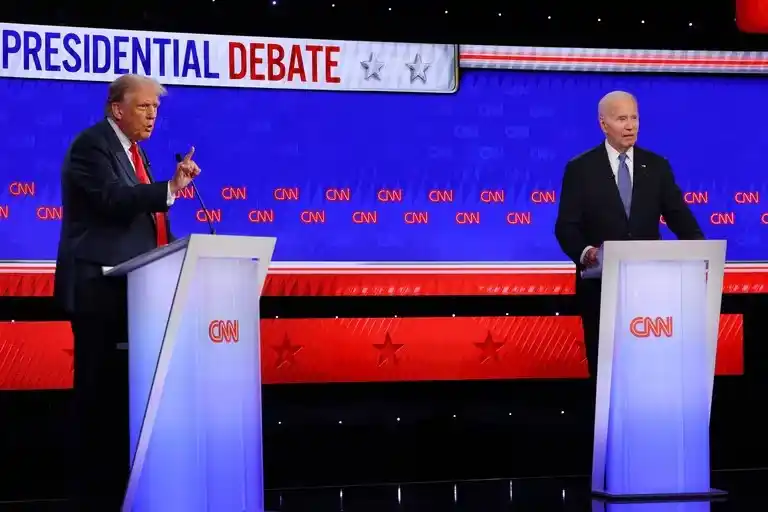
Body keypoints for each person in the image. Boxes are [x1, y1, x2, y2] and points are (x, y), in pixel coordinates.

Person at [54, 74, 200, 510]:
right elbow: (115, 200)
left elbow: (146, 220)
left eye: (156, 108)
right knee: (97, 400)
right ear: (117, 108)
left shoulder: (136, 154)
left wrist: (176, 252)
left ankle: (124, 490)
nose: (152, 115)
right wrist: (170, 189)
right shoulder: (92, 145)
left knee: (123, 400)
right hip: (100, 291)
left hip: (134, 294)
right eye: (144, 107)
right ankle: (90, 496)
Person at [554, 90, 704, 379]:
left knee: (650, 366)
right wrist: (588, 254)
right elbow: (566, 226)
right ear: (603, 124)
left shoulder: (657, 166)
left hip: (651, 285)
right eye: (621, 118)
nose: (630, 125)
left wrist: (700, 252)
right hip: (601, 287)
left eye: (634, 117)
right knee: (606, 368)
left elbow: (679, 216)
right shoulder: (580, 168)